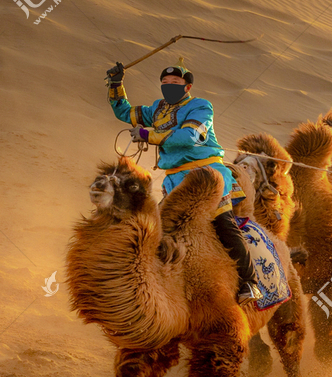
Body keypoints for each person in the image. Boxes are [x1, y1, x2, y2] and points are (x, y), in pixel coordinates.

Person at [105, 59, 262, 306]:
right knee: (160, 228)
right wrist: (116, 84)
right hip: (175, 180)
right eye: (165, 83)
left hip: (207, 176)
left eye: (175, 83)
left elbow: (191, 136)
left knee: (223, 223)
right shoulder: (157, 109)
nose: (169, 86)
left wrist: (148, 134)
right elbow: (124, 112)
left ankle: (249, 283)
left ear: (187, 87)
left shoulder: (201, 106)